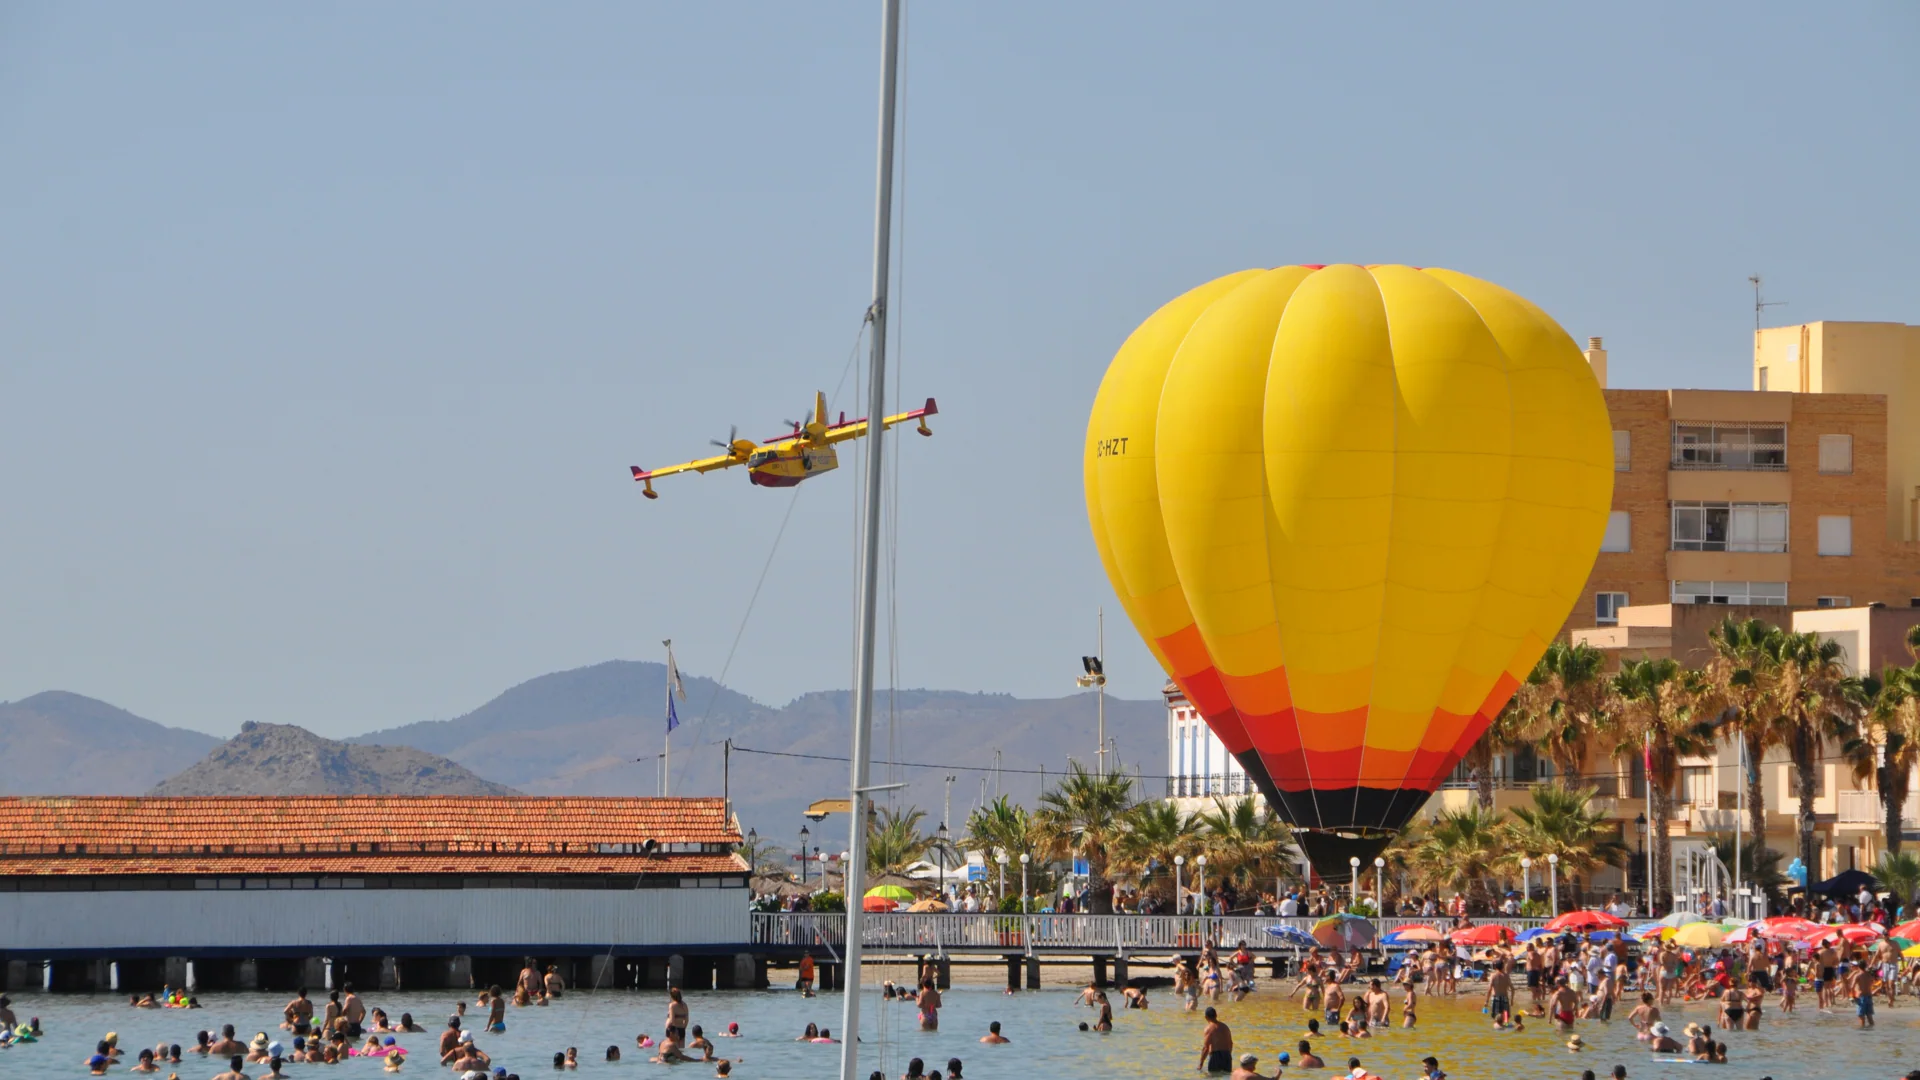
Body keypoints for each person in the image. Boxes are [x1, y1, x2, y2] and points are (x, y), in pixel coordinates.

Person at [1198, 1007, 1233, 1074]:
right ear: (1216, 1015)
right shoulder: (1225, 1027)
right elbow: (1231, 1043)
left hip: (1216, 1056)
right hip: (1227, 1056)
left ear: (1206, 1017)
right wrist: (1228, 1056)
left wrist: (1201, 1063)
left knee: (1213, 1077)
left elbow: (1206, 1048)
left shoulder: (1209, 1028)